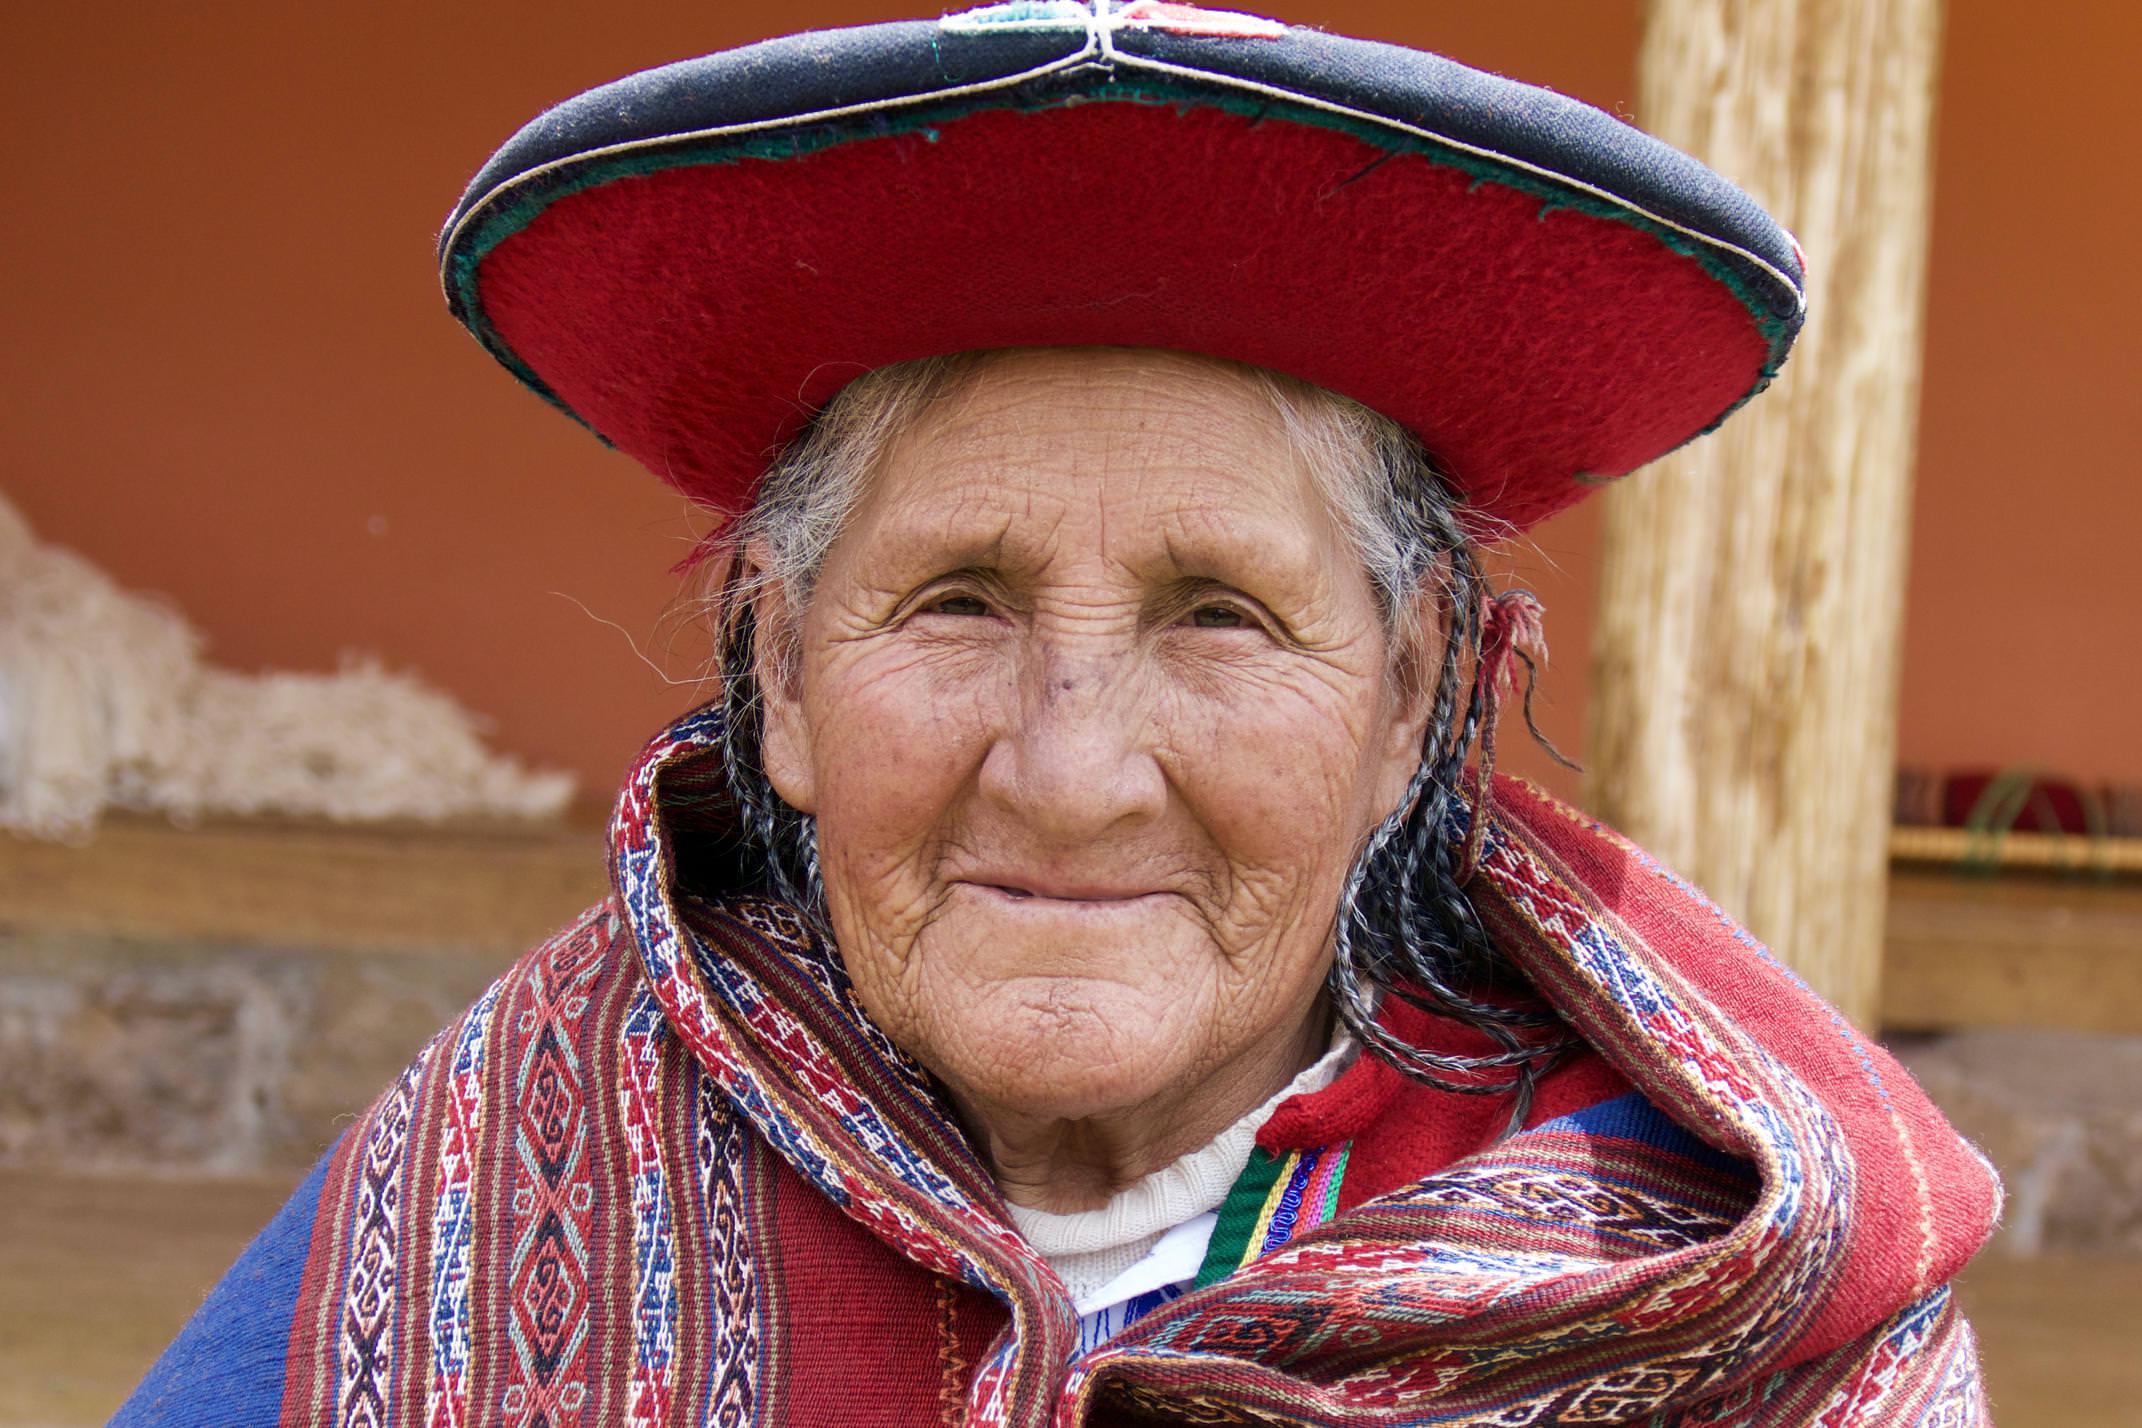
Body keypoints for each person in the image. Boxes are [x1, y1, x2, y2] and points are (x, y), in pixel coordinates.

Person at [119, 5, 2000, 1424]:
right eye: (956, 602)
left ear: (1412, 694)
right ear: (778, 671)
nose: (1075, 771)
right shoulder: (525, 1144)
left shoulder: (1725, 1267)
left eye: (1218, 617)